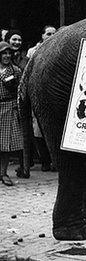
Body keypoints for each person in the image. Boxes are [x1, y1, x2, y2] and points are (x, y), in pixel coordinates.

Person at [27, 25, 56, 172]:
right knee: (38, 129)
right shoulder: (33, 51)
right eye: (48, 33)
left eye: (54, 33)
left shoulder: (59, 49)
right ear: (42, 36)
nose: (51, 36)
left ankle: (54, 160)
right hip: (38, 92)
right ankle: (44, 160)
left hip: (53, 93)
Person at [4, 30, 29, 177]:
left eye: (19, 40)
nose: (17, 42)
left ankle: (24, 166)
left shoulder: (24, 59)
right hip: (6, 100)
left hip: (21, 99)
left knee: (23, 134)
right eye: (14, 39)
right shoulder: (5, 58)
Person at [0, 42, 23, 186]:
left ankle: (3, 173)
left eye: (9, 53)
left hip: (9, 107)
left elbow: (20, 91)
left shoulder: (15, 70)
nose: (7, 56)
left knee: (5, 144)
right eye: (4, 53)